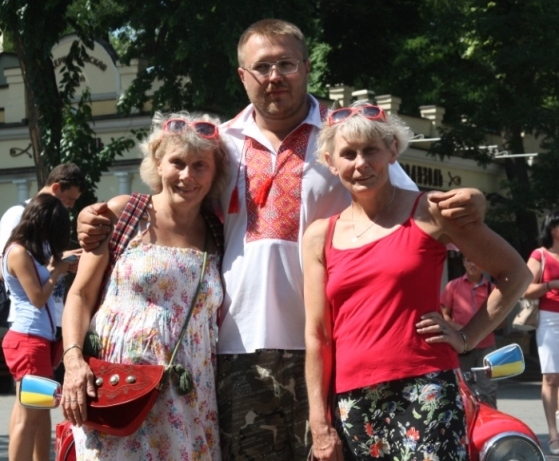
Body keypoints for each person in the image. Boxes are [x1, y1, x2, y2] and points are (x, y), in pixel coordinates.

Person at [75, 19, 487, 461]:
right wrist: (91, 216)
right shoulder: (221, 143)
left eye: (286, 64)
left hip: (330, 349)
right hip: (236, 345)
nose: (275, 77)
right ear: (242, 75)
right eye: (262, 67)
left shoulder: (346, 137)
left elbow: (413, 207)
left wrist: (475, 203)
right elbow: (170, 203)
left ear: (307, 67)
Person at [303, 102, 532, 460]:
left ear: (392, 150)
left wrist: (467, 337)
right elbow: (318, 336)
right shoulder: (320, 236)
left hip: (426, 389)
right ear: (331, 162)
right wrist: (320, 423)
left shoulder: (431, 211)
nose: (361, 163)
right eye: (348, 154)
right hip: (352, 402)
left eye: (371, 150)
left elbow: (516, 274)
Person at [61, 111, 227, 460]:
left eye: (200, 165)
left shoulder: (217, 232)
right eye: (177, 162)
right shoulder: (126, 212)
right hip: (118, 393)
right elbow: (80, 294)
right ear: (158, 163)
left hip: (188, 398)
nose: (187, 175)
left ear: (215, 173)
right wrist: (73, 362)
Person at [1, 193, 72, 461]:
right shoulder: (18, 252)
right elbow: (37, 297)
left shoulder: (26, 251)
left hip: (35, 340)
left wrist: (56, 266)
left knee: (34, 413)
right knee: (27, 419)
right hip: (29, 341)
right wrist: (57, 272)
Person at [0, 162, 86, 330]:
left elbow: (45, 262)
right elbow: (4, 268)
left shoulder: (54, 219)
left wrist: (65, 264)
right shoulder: (18, 214)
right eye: (70, 199)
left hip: (55, 317)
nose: (71, 205)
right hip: (29, 321)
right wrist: (56, 265)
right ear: (56, 188)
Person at [522, 210, 559, 455]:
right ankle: (553, 434)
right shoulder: (541, 254)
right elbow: (525, 289)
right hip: (550, 319)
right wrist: (551, 285)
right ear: (554, 229)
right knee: (551, 377)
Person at [441, 255, 498, 408]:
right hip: (462, 345)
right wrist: (459, 329)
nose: (473, 264)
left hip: (486, 346)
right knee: (463, 389)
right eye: (468, 260)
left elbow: (501, 318)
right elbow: (444, 315)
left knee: (488, 389)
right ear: (463, 262)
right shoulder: (453, 286)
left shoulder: (492, 289)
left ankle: (489, 421)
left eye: (477, 260)